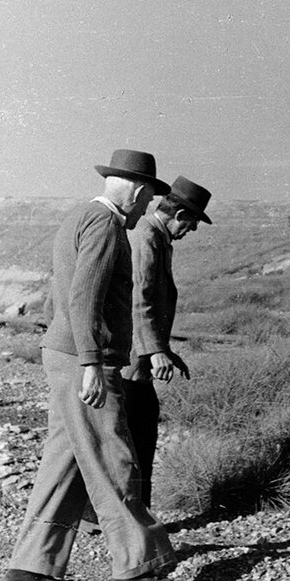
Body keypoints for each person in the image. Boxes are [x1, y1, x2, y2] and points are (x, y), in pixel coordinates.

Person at [0, 149, 189, 581]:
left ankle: (30, 569)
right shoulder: (106, 225)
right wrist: (90, 363)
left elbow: (59, 296)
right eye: (147, 200)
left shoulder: (79, 217)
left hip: (64, 354)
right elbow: (84, 297)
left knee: (64, 466)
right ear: (140, 190)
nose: (146, 210)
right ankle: (135, 572)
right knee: (113, 460)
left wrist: (69, 353)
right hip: (88, 361)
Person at [122, 175, 213, 508]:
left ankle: (130, 509)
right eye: (193, 223)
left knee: (138, 424)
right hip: (130, 356)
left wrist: (165, 351)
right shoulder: (146, 236)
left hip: (139, 354)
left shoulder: (156, 237)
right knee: (136, 425)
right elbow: (139, 300)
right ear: (179, 215)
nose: (192, 230)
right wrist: (156, 351)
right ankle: (128, 511)